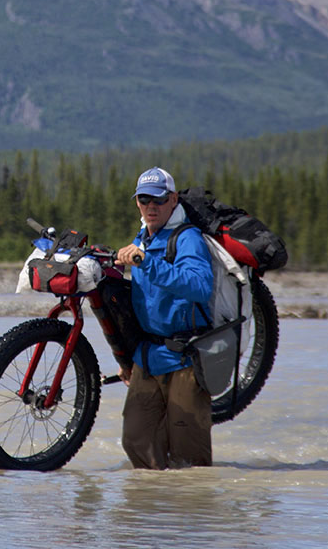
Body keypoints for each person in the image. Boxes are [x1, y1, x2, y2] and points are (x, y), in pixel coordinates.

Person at [114, 166, 216, 469]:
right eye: (144, 200)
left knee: (189, 460)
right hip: (147, 357)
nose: (151, 207)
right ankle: (153, 512)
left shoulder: (188, 238)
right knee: (136, 443)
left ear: (173, 199)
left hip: (185, 359)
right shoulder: (142, 236)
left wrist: (147, 262)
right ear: (137, 202)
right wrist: (127, 357)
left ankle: (188, 516)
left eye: (158, 200)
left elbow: (200, 285)